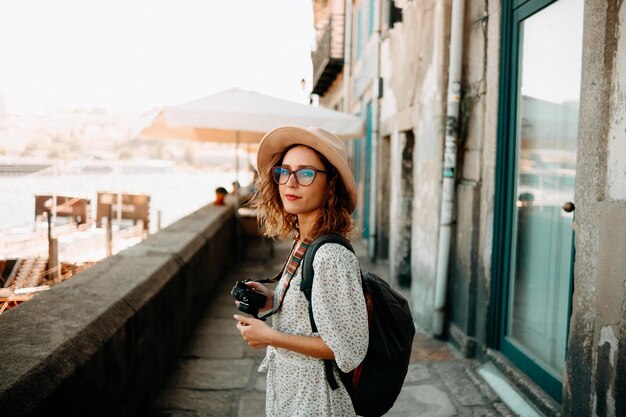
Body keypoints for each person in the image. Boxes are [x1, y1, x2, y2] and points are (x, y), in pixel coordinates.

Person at [233, 126, 368, 416]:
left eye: (306, 173)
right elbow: (314, 314)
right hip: (293, 391)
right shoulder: (305, 239)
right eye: (284, 171)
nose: (290, 182)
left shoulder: (330, 255)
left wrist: (269, 336)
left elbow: (346, 348)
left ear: (330, 184)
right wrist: (272, 300)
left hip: (316, 399)